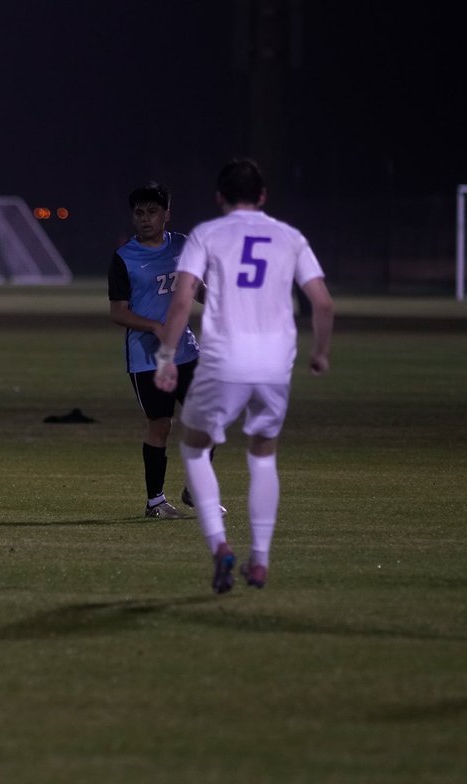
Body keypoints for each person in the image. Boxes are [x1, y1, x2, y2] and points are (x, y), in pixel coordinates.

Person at [154, 158, 334, 593]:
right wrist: (320, 354)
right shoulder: (290, 237)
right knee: (263, 456)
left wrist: (165, 356)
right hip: (274, 363)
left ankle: (219, 545)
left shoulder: (207, 234)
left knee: (195, 450)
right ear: (263, 195)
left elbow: (182, 302)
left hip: (223, 360)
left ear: (219, 197)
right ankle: (260, 560)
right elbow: (323, 304)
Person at [108, 182, 223, 520]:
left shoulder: (184, 246)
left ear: (166, 215)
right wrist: (155, 326)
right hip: (147, 357)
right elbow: (118, 312)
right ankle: (155, 502)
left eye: (152, 212)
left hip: (186, 351)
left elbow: (196, 288)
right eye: (139, 213)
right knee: (161, 426)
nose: (145, 218)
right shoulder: (124, 258)